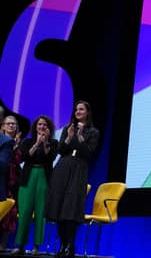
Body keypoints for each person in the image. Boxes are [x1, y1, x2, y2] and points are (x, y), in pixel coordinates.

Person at [45, 101, 99, 258]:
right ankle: (62, 244)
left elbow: (89, 153)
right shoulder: (68, 128)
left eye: (81, 109)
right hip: (63, 166)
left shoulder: (94, 132)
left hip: (79, 168)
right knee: (59, 207)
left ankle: (70, 244)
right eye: (76, 109)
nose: (77, 111)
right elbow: (61, 150)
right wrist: (69, 137)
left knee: (71, 207)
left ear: (87, 112)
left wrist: (80, 137)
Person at [11, 115, 58, 255]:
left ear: (49, 128)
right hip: (28, 178)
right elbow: (25, 157)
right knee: (24, 212)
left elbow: (50, 158)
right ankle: (19, 245)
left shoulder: (53, 143)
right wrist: (37, 143)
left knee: (40, 213)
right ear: (35, 127)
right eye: (39, 125)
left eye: (44, 125)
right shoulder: (27, 142)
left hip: (44, 177)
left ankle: (37, 246)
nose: (42, 127)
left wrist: (44, 143)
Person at [0, 115, 22, 251]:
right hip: (3, 178)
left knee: (10, 213)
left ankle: (3, 244)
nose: (11, 126)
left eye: (13, 124)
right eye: (8, 123)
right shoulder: (4, 142)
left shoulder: (20, 143)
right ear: (3, 126)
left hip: (13, 179)